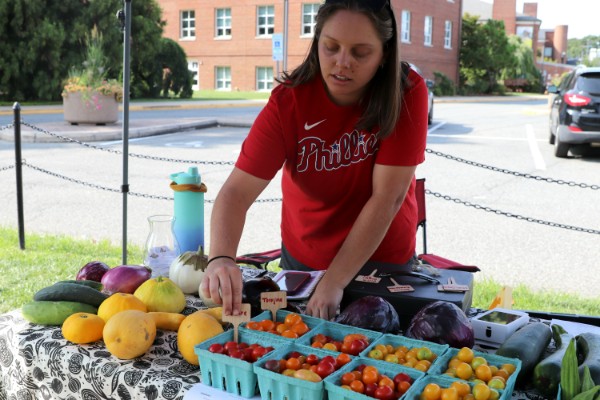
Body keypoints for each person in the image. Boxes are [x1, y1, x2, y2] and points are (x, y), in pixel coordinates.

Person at [200, 0, 428, 320]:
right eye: (331, 47)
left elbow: (387, 198)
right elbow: (237, 192)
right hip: (304, 262)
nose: (342, 62)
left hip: (382, 265)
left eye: (360, 52)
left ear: (385, 54)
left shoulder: (406, 91)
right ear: (317, 40)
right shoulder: (289, 101)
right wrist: (220, 258)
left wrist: (335, 280)